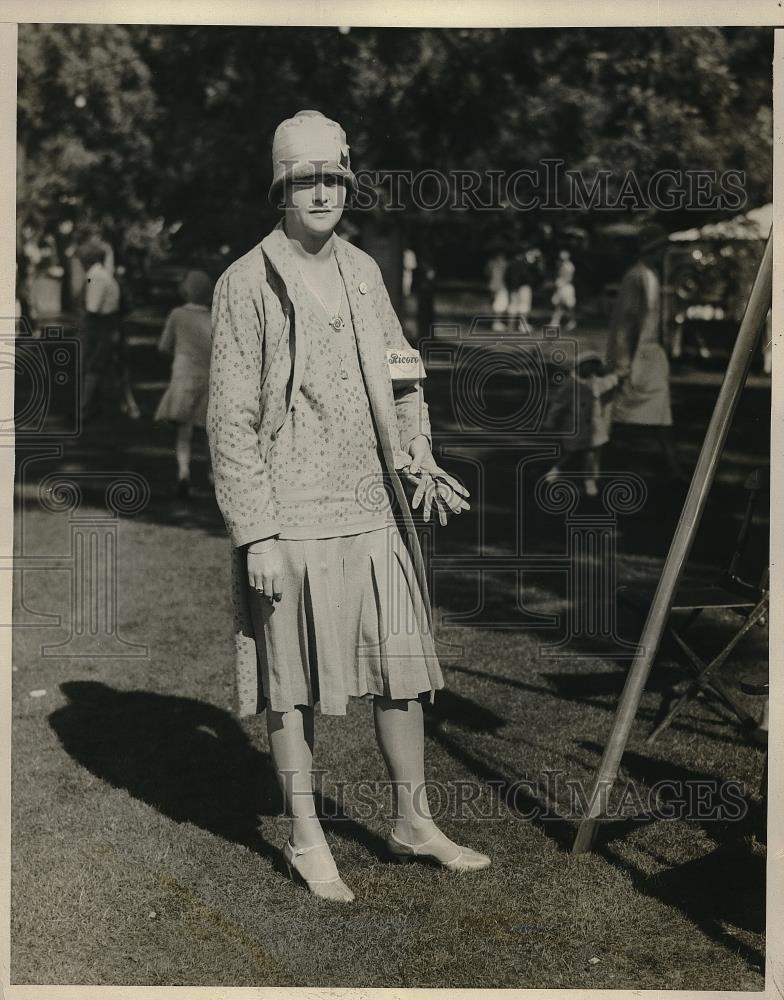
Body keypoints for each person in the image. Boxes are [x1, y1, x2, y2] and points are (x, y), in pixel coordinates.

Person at [207, 109, 488, 904]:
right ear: (281, 188)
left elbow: (402, 373)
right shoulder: (245, 283)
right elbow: (228, 419)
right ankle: (304, 834)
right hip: (289, 512)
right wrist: (256, 532)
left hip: (372, 506)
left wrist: (418, 449)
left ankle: (414, 820)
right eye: (307, 178)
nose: (323, 190)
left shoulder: (365, 270)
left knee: (402, 670)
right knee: (288, 683)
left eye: (334, 176)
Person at [605, 223, 687, 483]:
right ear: (653, 249)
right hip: (637, 354)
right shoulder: (637, 276)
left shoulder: (650, 276)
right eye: (662, 248)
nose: (665, 254)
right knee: (619, 412)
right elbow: (626, 322)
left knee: (659, 411)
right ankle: (591, 460)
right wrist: (622, 363)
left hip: (651, 354)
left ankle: (670, 465)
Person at [155, 270, 214, 498]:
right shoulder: (213, 317)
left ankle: (183, 472)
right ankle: (211, 476)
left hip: (183, 376)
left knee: (184, 431)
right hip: (209, 379)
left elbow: (163, 346)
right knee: (209, 434)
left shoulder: (177, 315)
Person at [542, 350, 618, 497]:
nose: (590, 370)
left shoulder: (594, 381)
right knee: (571, 454)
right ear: (578, 366)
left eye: (594, 366)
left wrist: (617, 377)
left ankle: (589, 481)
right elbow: (558, 404)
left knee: (589, 453)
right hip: (575, 426)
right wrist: (551, 420)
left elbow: (606, 383)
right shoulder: (570, 385)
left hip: (593, 425)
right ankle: (556, 470)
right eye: (587, 366)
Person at [77, 237, 129, 423]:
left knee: (92, 367)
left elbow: (93, 306)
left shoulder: (95, 277)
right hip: (104, 325)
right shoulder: (101, 274)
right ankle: (93, 407)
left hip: (99, 327)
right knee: (96, 367)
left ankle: (85, 409)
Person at [550, 249, 576, 331]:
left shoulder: (569, 266)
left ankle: (572, 321)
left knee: (569, 306)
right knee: (558, 305)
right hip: (561, 287)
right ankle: (555, 321)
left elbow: (568, 278)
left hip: (566, 287)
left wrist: (561, 283)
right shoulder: (560, 265)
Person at [503, 249, 532, 324]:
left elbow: (506, 277)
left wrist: (510, 286)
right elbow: (526, 276)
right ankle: (523, 325)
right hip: (523, 287)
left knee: (513, 306)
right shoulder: (524, 264)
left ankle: (510, 325)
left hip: (513, 287)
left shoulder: (510, 264)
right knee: (524, 306)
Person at [485, 248, 508, 332]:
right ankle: (496, 323)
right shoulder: (504, 264)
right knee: (499, 305)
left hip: (492, 285)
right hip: (500, 286)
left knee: (495, 304)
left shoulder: (490, 263)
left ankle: (495, 322)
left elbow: (487, 273)